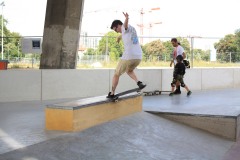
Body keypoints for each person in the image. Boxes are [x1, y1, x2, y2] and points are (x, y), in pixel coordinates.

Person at [107, 12, 146, 98]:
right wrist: (119, 37)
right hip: (138, 57)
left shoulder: (124, 27)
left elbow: (124, 27)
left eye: (115, 29)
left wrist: (127, 18)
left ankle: (112, 93)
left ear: (118, 25)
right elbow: (124, 33)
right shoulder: (132, 29)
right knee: (129, 71)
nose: (116, 32)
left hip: (129, 56)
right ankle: (139, 82)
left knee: (116, 73)